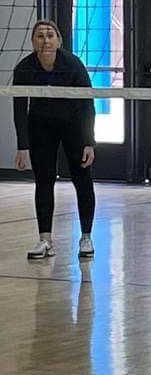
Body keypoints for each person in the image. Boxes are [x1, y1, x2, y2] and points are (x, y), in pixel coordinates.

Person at [12, 20, 96, 261]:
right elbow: (19, 108)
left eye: (50, 35)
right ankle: (45, 240)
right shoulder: (25, 68)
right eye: (40, 36)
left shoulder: (72, 64)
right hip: (41, 127)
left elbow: (87, 103)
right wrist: (22, 146)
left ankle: (86, 237)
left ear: (58, 40)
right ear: (33, 41)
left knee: (82, 180)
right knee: (44, 181)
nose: (45, 40)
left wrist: (89, 141)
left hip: (73, 126)